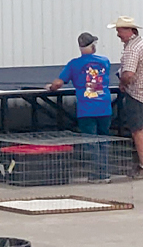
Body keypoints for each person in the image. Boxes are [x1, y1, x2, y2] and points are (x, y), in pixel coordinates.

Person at [46, 32, 114, 182]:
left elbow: (58, 83)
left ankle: (97, 173)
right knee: (104, 139)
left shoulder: (74, 64)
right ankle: (105, 172)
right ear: (93, 46)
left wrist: (50, 87)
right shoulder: (104, 61)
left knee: (91, 141)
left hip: (86, 108)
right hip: (104, 105)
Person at [111, 16, 143, 177]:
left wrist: (122, 83)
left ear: (129, 30)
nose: (117, 33)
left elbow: (129, 74)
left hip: (137, 93)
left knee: (137, 130)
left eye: (119, 30)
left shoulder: (132, 48)